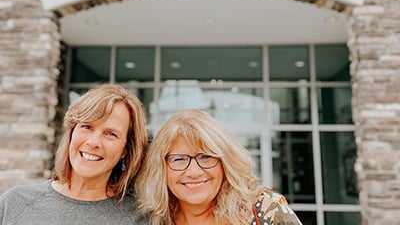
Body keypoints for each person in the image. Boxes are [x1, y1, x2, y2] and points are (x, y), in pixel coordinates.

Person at [0, 84, 148, 225]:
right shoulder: (14, 203)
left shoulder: (140, 218)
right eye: (87, 127)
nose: (93, 142)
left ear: (125, 150)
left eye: (110, 134)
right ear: (71, 133)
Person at [136, 109, 303, 225]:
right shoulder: (150, 219)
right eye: (179, 159)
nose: (194, 172)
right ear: (161, 168)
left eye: (206, 156)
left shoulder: (266, 208)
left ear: (225, 162)